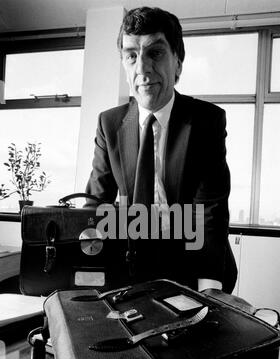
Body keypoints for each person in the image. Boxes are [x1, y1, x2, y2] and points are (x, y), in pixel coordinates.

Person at [85, 6, 237, 293]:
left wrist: (209, 290)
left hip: (193, 269)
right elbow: (95, 204)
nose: (142, 68)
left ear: (177, 63)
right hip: (131, 270)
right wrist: (82, 264)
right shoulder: (109, 123)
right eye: (131, 56)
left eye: (154, 53)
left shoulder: (206, 121)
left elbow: (209, 211)